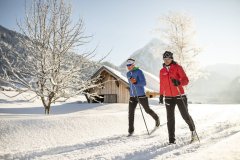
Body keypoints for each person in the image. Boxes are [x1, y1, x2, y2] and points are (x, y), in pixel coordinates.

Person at [159, 51, 197, 144]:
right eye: (165, 59)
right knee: (170, 119)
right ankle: (171, 140)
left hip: (179, 95)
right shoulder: (162, 71)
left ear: (172, 58)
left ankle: (193, 131)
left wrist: (179, 82)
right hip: (168, 97)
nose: (166, 60)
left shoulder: (178, 67)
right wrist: (161, 95)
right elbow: (162, 84)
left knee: (185, 115)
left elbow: (186, 80)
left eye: (168, 58)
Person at [126, 58, 160, 136]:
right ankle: (130, 131)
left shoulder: (139, 71)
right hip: (132, 96)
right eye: (127, 65)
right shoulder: (128, 74)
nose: (128, 67)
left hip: (141, 95)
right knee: (130, 113)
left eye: (129, 65)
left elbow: (144, 83)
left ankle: (157, 118)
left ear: (133, 65)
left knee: (147, 110)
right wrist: (130, 89)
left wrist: (136, 82)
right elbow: (131, 84)